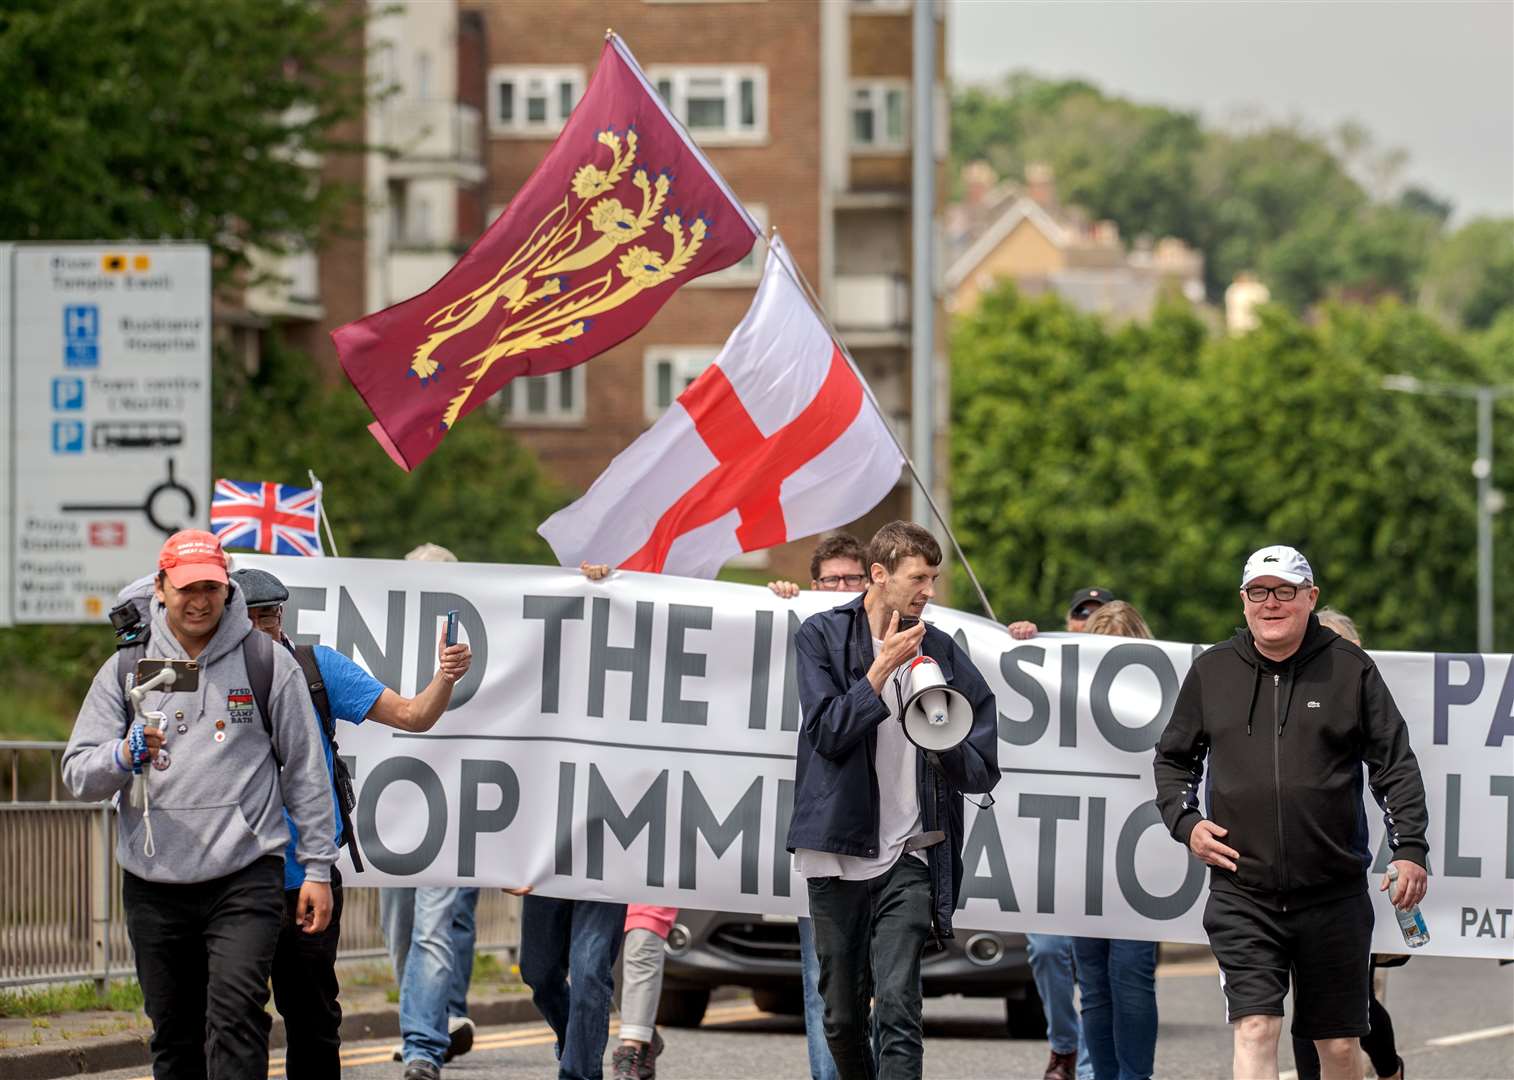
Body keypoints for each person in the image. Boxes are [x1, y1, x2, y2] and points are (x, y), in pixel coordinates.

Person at [62, 530, 337, 1080]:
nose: (199, 599)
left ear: (227, 586)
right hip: (154, 881)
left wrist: (318, 869)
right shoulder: (126, 667)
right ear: (161, 587)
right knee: (175, 1035)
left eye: (211, 586)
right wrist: (122, 753)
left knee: (234, 1018)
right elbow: (77, 773)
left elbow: (306, 771)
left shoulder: (266, 662)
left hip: (245, 875)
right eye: (186, 587)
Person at [1154, 546, 1429, 1080]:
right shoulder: (1213, 671)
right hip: (1242, 891)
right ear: (1243, 601)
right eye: (1259, 592)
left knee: (1339, 1046)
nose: (1271, 603)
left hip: (1334, 893)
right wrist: (1185, 824)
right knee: (1255, 1029)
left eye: (1284, 591)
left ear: (1311, 598)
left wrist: (1410, 848)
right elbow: (1173, 761)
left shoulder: (1351, 670)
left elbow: (1394, 764)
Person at [229, 564, 473, 1080]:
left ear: (282, 616)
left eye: (268, 616)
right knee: (233, 1022)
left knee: (313, 1018)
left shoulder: (317, 668)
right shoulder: (207, 675)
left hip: (304, 879)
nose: (260, 628)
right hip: (229, 883)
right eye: (247, 618)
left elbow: (413, 716)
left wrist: (445, 678)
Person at [787, 520, 1001, 1080]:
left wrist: (943, 734)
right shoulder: (820, 637)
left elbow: (981, 770)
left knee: (900, 1007)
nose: (929, 589)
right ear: (878, 575)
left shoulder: (943, 650)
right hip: (838, 852)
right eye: (918, 577)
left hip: (912, 853)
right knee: (840, 1017)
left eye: (933, 576)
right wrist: (881, 672)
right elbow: (829, 733)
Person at [366, 542, 483, 1080]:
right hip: (393, 805)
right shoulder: (377, 638)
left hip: (455, 802)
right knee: (401, 927)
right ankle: (430, 1018)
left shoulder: (482, 644)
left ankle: (422, 1044)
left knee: (438, 924)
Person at [516, 560, 630, 1080]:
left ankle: (579, 1071)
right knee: (539, 973)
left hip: (610, 847)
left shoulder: (634, 687)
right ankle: (575, 1040)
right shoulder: (538, 687)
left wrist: (610, 585)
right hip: (549, 847)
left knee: (589, 971)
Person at [1288, 610, 1406, 1080]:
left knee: (1357, 998)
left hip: (1354, 872)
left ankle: (1388, 1067)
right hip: (1299, 875)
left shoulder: (1370, 701)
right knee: (1307, 997)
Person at [768, 531, 868, 1080]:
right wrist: (775, 602)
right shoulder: (800, 620)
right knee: (824, 981)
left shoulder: (899, 626)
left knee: (876, 986)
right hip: (822, 831)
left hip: (878, 832)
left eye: (852, 579)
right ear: (812, 586)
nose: (841, 589)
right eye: (831, 580)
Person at [1005, 588, 1116, 1080]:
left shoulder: (1133, 682)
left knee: (1097, 967)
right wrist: (1020, 643)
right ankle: (1064, 1044)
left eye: (1099, 619)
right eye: (1080, 617)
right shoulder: (1047, 664)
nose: (1087, 626)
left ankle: (1090, 1067)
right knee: (1047, 949)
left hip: (1107, 846)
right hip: (1053, 841)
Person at [1071, 602, 1161, 1080]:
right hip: (1082, 858)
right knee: (1093, 985)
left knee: (1130, 977)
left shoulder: (1165, 697)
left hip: (1139, 859)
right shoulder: (1073, 696)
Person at [611, 905, 676, 1079]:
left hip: (654, 884)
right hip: (612, 887)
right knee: (608, 960)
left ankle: (630, 1052)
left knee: (643, 945)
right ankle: (645, 1033)